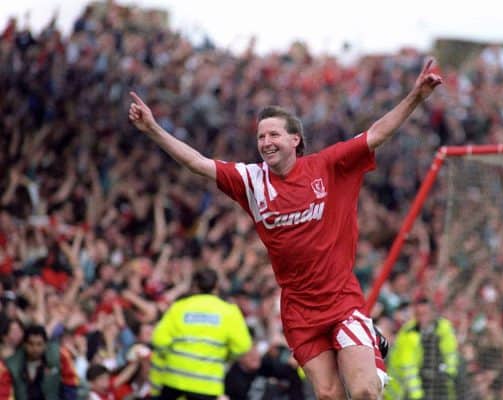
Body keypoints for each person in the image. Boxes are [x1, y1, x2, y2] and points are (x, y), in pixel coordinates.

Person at [129, 58, 442, 400]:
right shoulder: (251, 180)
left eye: (274, 134)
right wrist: (154, 130)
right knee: (327, 396)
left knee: (365, 392)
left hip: (341, 300)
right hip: (298, 310)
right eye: (261, 136)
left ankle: (373, 361)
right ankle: (368, 350)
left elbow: (377, 133)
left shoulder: (327, 166)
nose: (266, 142)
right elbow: (196, 163)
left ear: (295, 139)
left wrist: (416, 97)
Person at [150, 267, 252, 400]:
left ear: (195, 286)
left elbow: (159, 340)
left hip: (174, 380)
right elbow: (243, 346)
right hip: (207, 385)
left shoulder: (179, 307)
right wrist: (223, 356)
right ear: (216, 286)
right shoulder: (229, 312)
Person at [384, 293, 458, 400]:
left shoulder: (444, 328)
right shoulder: (409, 333)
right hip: (404, 390)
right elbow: (409, 369)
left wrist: (448, 374)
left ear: (433, 312)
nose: (423, 318)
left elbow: (450, 354)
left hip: (436, 386)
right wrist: (417, 396)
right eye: (419, 314)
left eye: (425, 313)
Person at [3, 324, 79, 400]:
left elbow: (71, 383)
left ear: (45, 344)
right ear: (24, 344)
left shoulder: (59, 355)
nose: (35, 348)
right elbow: (5, 394)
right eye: (31, 344)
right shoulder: (11, 365)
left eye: (39, 344)